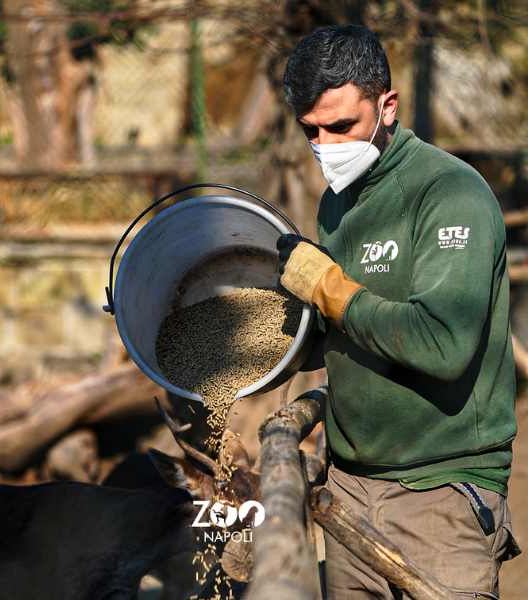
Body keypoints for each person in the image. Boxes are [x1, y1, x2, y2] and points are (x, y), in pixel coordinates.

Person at [277, 24, 522, 599]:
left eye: (341, 127)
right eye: (311, 131)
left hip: (443, 493)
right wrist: (259, 347)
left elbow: (442, 342)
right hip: (349, 491)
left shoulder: (448, 192)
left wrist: (331, 290)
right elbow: (341, 333)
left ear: (387, 107)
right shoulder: (337, 203)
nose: (326, 146)